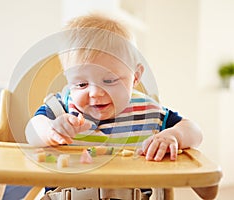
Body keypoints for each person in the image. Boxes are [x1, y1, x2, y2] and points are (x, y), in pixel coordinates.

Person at [25, 13, 202, 162]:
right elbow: (32, 130)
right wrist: (51, 131)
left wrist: (173, 136)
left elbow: (194, 131)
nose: (95, 93)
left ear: (135, 77)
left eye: (109, 81)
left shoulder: (148, 113)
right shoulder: (60, 109)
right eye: (81, 84)